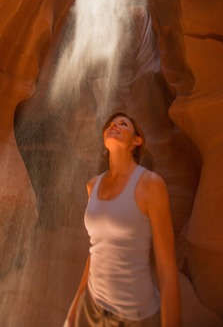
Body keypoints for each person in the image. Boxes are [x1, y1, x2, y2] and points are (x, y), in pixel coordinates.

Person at [65, 112, 181, 327]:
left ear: (137, 141)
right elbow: (96, 251)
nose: (114, 125)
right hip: (91, 308)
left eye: (123, 124)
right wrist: (74, 309)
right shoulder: (93, 185)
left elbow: (167, 269)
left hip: (134, 316)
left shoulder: (151, 184)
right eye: (110, 124)